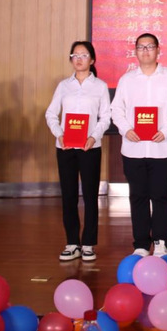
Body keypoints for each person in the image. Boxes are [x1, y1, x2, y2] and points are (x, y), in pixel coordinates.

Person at [111, 33, 167, 257]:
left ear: (158, 50)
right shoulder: (126, 80)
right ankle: (141, 244)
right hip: (133, 149)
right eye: (141, 47)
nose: (145, 51)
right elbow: (117, 109)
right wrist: (126, 129)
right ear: (135, 51)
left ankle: (161, 241)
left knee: (161, 196)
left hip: (162, 148)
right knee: (138, 196)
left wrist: (166, 131)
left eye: (150, 46)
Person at [45, 41, 111, 262]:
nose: (79, 59)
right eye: (75, 55)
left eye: (84, 55)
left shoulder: (100, 86)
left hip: (90, 147)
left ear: (92, 60)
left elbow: (106, 117)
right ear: (71, 59)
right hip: (66, 148)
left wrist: (94, 137)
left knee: (91, 196)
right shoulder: (64, 86)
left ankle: (88, 243)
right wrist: (59, 134)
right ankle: (72, 242)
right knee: (69, 195)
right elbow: (51, 113)